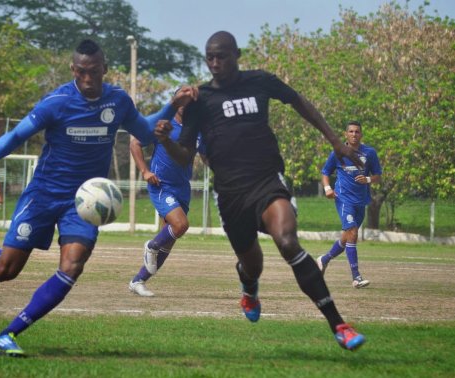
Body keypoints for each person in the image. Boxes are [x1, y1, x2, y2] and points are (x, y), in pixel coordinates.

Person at [0, 39, 197, 357]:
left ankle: (7, 335)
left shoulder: (117, 101)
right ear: (74, 70)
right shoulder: (56, 102)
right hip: (44, 194)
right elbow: (19, 133)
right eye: (83, 72)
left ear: (104, 69)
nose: (89, 79)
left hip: (84, 202)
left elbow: (144, 133)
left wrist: (172, 104)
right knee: (6, 270)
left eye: (95, 72)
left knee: (72, 266)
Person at [154, 31, 366, 351]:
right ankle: (249, 288)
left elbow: (300, 103)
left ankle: (338, 324)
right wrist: (167, 140)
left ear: (237, 54)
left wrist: (335, 141)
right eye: (209, 57)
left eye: (221, 56)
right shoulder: (201, 101)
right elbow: (186, 155)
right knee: (253, 266)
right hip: (230, 195)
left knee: (287, 241)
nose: (215, 63)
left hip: (266, 181)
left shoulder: (260, 81)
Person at [128, 106, 202, 297]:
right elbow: (135, 143)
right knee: (180, 225)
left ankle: (138, 281)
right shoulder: (163, 125)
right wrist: (145, 171)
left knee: (167, 242)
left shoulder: (197, 129)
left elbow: (207, 155)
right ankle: (151, 245)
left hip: (182, 188)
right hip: (161, 185)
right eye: (184, 101)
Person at [317, 121, 382, 289]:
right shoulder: (338, 152)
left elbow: (377, 176)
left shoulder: (369, 153)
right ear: (346, 134)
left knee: (347, 238)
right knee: (353, 233)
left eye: (357, 132)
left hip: (361, 200)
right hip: (343, 198)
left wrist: (367, 179)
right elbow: (325, 172)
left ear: (361, 134)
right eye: (351, 131)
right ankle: (356, 277)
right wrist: (327, 188)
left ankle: (323, 260)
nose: (354, 134)